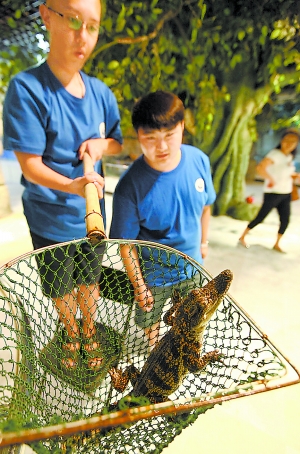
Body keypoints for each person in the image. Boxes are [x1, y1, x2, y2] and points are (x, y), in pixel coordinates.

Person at [2, 0, 123, 370]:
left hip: (92, 218)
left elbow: (117, 140)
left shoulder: (101, 93)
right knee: (60, 286)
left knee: (90, 280)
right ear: (46, 15)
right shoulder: (27, 89)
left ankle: (89, 331)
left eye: (92, 26)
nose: (82, 36)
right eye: (72, 20)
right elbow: (31, 165)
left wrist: (102, 145)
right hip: (50, 217)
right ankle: (70, 332)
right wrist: (73, 185)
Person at [109, 90, 216, 350]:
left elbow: (206, 206)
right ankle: (156, 348)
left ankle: (187, 346)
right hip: (154, 275)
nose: (162, 147)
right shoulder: (129, 187)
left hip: (193, 266)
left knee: (193, 317)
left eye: (170, 135)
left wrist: (204, 242)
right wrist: (139, 286)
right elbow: (126, 244)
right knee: (150, 321)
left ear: (181, 126)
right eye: (151, 138)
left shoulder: (199, 160)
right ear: (138, 135)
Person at [239, 129, 300, 252]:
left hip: (286, 193)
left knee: (285, 219)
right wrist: (270, 179)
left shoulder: (288, 156)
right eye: (287, 140)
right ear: (282, 140)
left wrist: (294, 175)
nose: (289, 143)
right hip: (273, 193)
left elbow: (284, 172)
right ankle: (242, 236)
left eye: (293, 141)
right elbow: (260, 167)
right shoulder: (275, 154)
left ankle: (277, 243)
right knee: (260, 217)